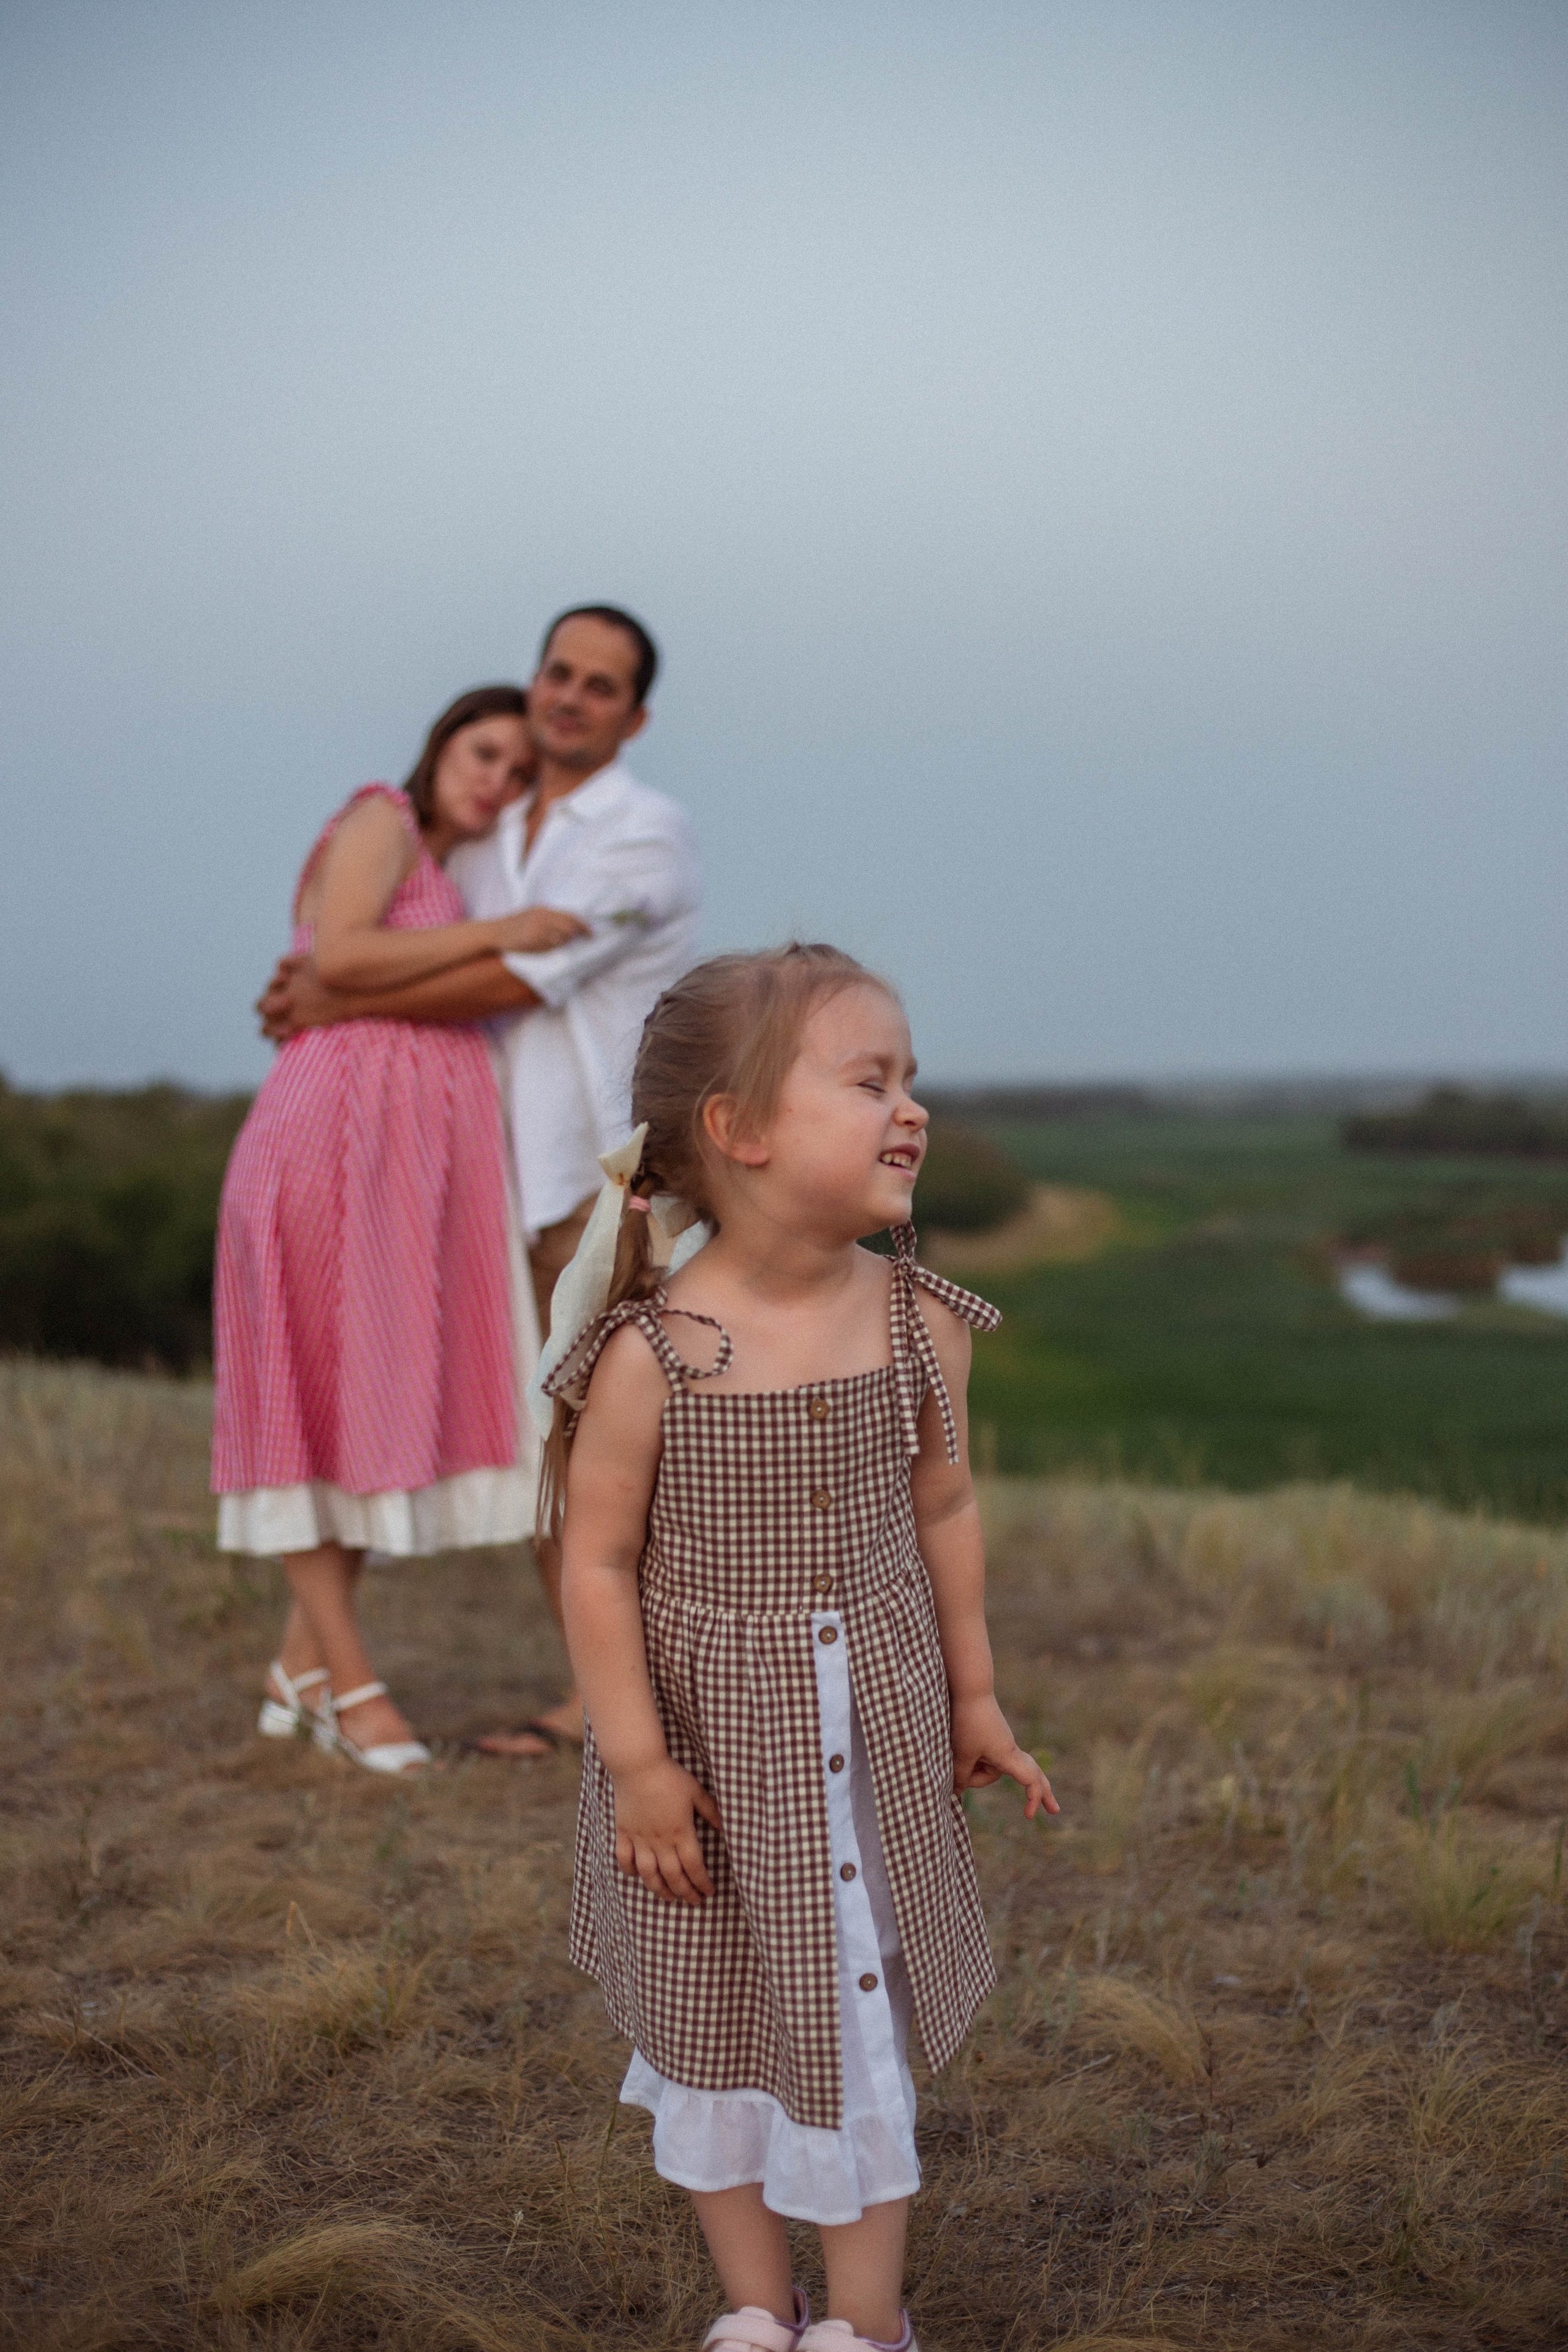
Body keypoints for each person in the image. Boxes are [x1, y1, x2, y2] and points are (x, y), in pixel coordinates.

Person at [538, 945, 1059, 2352]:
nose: (913, 1110)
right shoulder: (657, 1352)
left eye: (913, 1081)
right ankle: (760, 2314)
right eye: (869, 1080)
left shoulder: (919, 1322)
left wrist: (976, 1694)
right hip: (708, 1760)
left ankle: (867, 2327)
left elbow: (941, 1505)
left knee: (853, 2025)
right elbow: (594, 1564)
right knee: (715, 2023)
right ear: (739, 1131)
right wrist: (637, 1765)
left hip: (867, 1748)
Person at [260, 606, 701, 1757]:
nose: (568, 697)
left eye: (600, 686)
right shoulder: (483, 828)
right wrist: (326, 988)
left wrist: (329, 995)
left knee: (597, 1457)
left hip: (590, 1182)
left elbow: (512, 977)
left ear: (635, 715)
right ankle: (312, 1663)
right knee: (479, 1433)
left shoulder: (644, 839)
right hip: (457, 1181)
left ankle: (615, 1706)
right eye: (558, 671)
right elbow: (385, 933)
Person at [214, 686, 588, 1774]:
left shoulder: (462, 865)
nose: (496, 781)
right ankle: (357, 1694)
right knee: (312, 1401)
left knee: (357, 1406)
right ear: (440, 746)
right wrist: (506, 932)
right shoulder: (381, 817)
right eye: (483, 753)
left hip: (401, 1174)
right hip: (330, 1147)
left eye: (518, 773)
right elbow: (340, 958)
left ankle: (301, 1669)